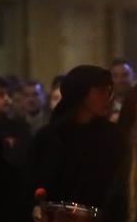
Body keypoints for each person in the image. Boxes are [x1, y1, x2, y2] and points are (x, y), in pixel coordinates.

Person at [29, 66, 124, 208]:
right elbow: (35, 184)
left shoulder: (113, 136)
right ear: (81, 93)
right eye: (101, 91)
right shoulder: (50, 137)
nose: (107, 97)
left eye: (109, 91)